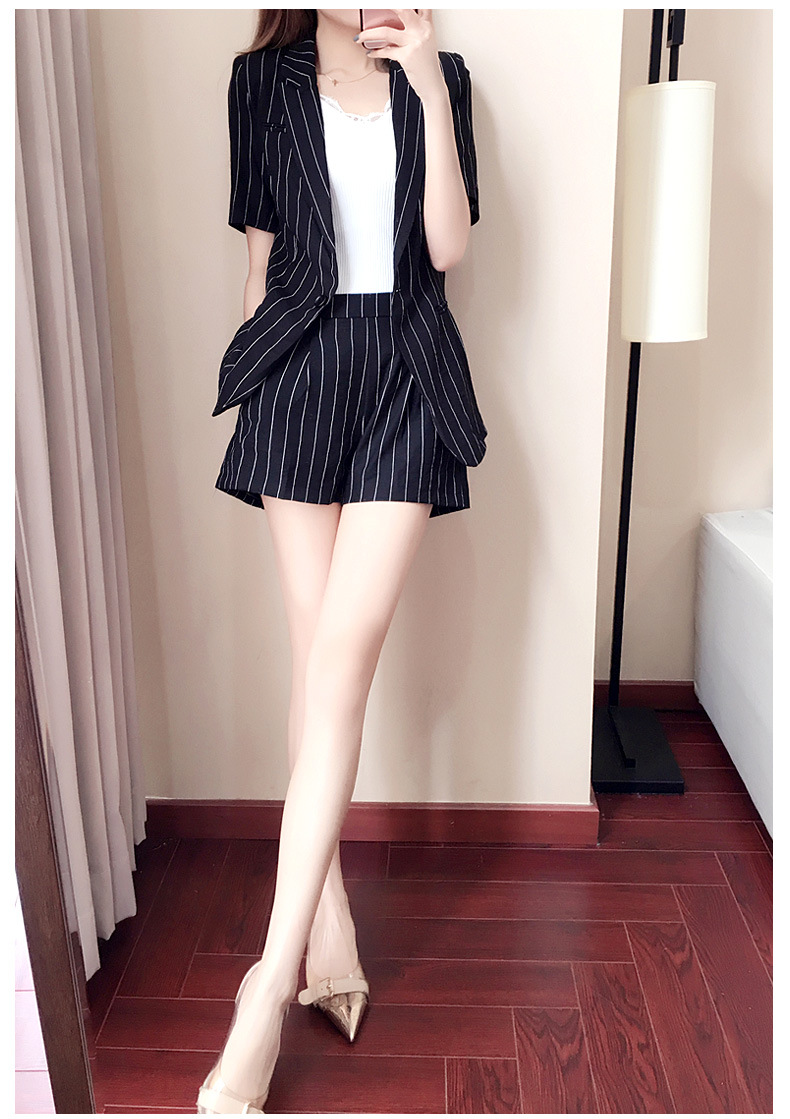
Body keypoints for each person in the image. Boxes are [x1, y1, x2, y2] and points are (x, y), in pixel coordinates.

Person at [198, 8, 487, 1114]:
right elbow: (262, 261)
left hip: (408, 370)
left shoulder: (442, 78)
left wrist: (428, 85)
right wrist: (258, 394)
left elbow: (450, 247)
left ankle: (264, 992)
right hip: (299, 371)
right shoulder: (258, 84)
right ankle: (325, 918)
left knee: (340, 665)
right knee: (314, 656)